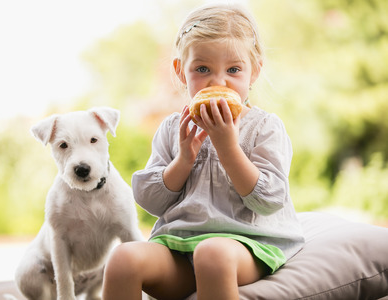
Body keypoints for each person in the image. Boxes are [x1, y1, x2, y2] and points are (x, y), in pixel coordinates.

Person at [102, 3, 305, 300]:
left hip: (246, 245)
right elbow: (150, 201)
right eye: (202, 69)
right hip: (180, 247)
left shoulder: (265, 127)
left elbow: (270, 200)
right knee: (122, 259)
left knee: (212, 254)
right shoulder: (173, 128)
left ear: (254, 71)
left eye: (234, 69)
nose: (217, 81)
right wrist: (183, 160)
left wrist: (228, 147)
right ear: (181, 72)